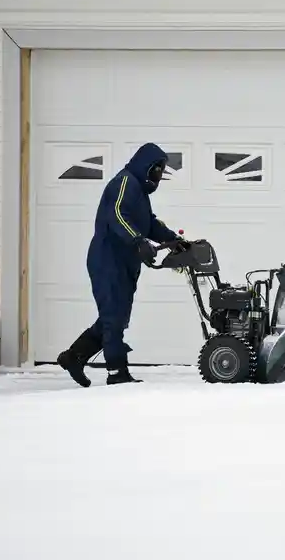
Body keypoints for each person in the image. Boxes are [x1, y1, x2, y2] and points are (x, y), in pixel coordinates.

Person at [56, 142, 183, 387]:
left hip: (125, 263)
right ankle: (117, 372)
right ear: (146, 166)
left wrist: (171, 239)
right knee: (113, 318)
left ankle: (74, 357)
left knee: (114, 318)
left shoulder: (140, 193)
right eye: (157, 170)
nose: (159, 176)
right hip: (108, 260)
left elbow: (149, 223)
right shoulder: (125, 183)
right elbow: (116, 214)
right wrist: (137, 240)